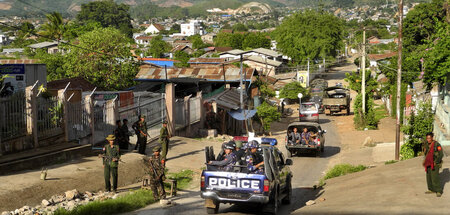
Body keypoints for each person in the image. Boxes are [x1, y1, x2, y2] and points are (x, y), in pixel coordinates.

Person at [423, 132, 444, 197]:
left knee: (435, 177)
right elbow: (425, 153)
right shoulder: (426, 144)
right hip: (428, 163)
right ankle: (431, 189)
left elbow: (441, 154)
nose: (428, 139)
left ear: (432, 138)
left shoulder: (437, 145)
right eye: (427, 138)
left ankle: (438, 191)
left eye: (429, 138)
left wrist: (436, 162)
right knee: (428, 177)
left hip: (435, 163)